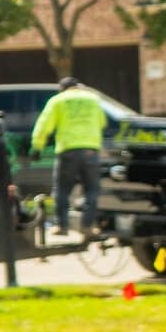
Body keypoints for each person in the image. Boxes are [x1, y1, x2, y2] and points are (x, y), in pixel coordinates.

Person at [31, 76, 109, 234]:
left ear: (62, 88)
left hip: (68, 150)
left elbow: (44, 124)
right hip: (90, 150)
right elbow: (102, 122)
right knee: (91, 189)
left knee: (62, 189)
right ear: (78, 86)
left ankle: (62, 226)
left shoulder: (58, 100)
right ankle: (88, 225)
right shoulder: (92, 99)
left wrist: (37, 147)